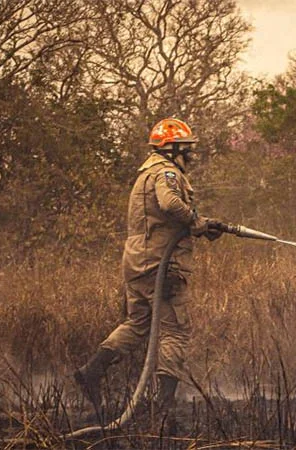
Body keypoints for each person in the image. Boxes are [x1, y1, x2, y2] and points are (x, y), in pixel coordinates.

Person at [75, 118, 223, 417]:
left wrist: (201, 226)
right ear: (173, 149)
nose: (191, 156)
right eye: (187, 150)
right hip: (162, 266)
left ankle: (92, 371)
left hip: (137, 263)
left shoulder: (145, 174)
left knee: (138, 323)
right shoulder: (167, 172)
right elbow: (170, 205)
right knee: (175, 332)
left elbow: (160, 217)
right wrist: (197, 223)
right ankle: (164, 405)